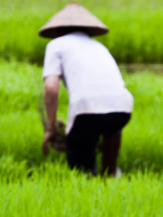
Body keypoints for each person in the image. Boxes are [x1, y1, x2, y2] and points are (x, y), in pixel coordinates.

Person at [39, 3, 134, 177]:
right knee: (108, 140)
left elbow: (51, 88)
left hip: (86, 111)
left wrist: (51, 128)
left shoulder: (56, 45)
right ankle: (110, 175)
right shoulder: (99, 47)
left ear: (58, 30)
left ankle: (89, 186)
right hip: (122, 108)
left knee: (81, 174)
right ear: (87, 30)